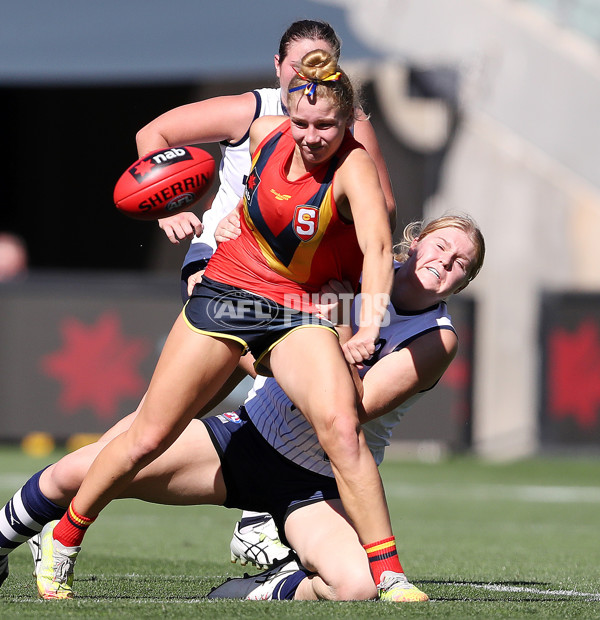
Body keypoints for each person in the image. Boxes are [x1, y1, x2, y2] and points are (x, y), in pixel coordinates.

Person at [32, 48, 398, 600]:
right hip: (228, 296)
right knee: (147, 437)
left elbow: (375, 245)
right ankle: (65, 535)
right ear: (287, 113)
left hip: (294, 310)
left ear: (347, 123)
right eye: (302, 123)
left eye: (326, 125)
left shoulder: (355, 165)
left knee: (342, 428)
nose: (311, 136)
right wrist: (226, 213)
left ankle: (390, 575)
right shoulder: (265, 133)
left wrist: (368, 325)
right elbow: (229, 180)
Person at [0, 214, 485, 601]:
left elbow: (349, 410)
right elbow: (260, 322)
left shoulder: (435, 339)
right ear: (415, 242)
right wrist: (229, 229)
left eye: (461, 263)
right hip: (249, 439)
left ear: (462, 284)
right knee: (80, 472)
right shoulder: (351, 271)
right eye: (441, 246)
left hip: (318, 482)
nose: (445, 262)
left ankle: (264, 586)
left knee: (356, 586)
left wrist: (321, 337)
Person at [138, 18, 397, 565]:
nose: (308, 72)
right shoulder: (255, 112)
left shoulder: (346, 127)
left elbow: (384, 212)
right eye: (298, 63)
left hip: (305, 285)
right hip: (227, 267)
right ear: (277, 67)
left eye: (322, 61)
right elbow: (153, 137)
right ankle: (56, 505)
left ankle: (272, 514)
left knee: (334, 399)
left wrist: (343, 246)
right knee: (165, 422)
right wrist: (172, 207)